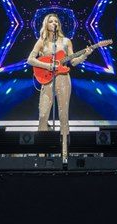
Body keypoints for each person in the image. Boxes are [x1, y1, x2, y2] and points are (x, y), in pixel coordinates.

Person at [26, 13, 93, 162]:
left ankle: (64, 154)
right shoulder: (41, 42)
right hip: (47, 80)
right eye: (51, 21)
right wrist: (47, 65)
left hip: (63, 79)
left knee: (63, 115)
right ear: (46, 24)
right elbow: (30, 60)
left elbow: (73, 62)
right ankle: (42, 154)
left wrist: (85, 55)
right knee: (43, 115)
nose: (54, 23)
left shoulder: (66, 41)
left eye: (56, 21)